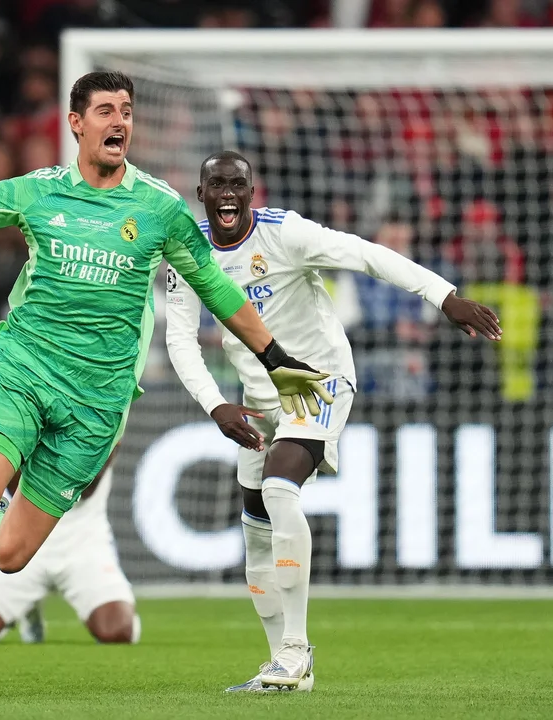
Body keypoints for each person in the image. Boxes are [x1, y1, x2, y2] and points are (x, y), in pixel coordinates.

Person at [0, 71, 334, 703]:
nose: (118, 121)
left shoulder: (158, 209)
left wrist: (275, 355)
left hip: (96, 403)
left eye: (126, 110)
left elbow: (220, 291)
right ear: (77, 122)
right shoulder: (36, 192)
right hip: (24, 369)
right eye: (105, 110)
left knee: (12, 553)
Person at [165, 150, 502, 692]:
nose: (228, 194)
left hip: (312, 379)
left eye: (238, 185)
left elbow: (367, 255)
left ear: (252, 192)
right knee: (254, 537)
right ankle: (283, 666)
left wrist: (445, 296)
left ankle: (297, 649)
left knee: (279, 489)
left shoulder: (286, 234)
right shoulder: (188, 252)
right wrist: (215, 405)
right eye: (216, 185)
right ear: (201, 194)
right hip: (256, 397)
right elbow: (179, 338)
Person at [0, 451, 137, 646]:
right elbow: (15, 487)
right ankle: (27, 610)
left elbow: (84, 489)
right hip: (24, 540)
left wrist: (28, 454)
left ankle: (122, 605)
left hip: (83, 543)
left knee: (117, 633)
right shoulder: (23, 420)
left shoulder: (102, 420)